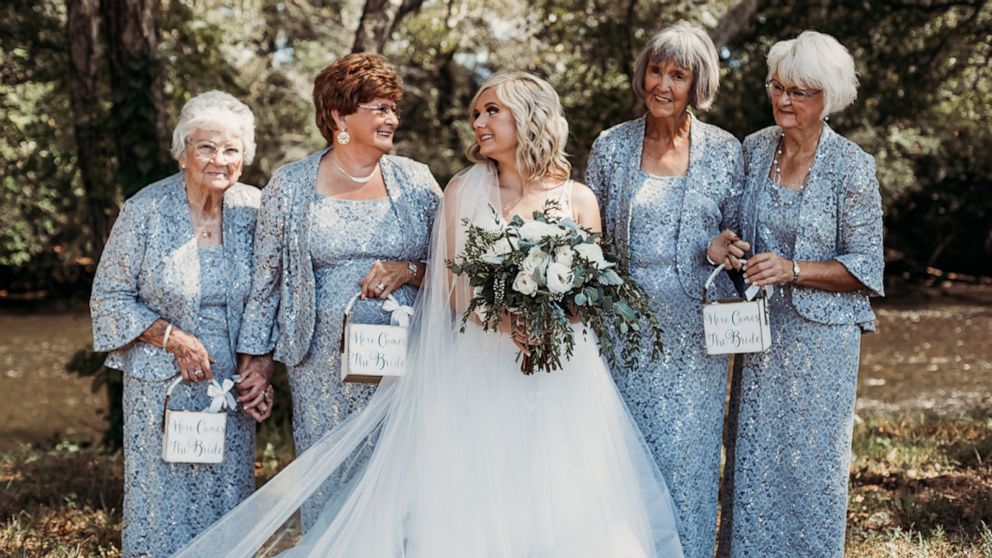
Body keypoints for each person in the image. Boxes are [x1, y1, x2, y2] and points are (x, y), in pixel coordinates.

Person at [174, 72, 685, 558]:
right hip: (480, 364)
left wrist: (552, 322)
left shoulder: (577, 199)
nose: (478, 123)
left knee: (561, 485)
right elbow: (453, 289)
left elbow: (588, 289)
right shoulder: (462, 189)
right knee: (482, 490)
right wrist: (508, 322)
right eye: (476, 113)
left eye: (492, 111)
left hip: (561, 371)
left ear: (529, 117)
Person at [235, 52, 442, 529]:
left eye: (394, 108)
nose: (392, 118)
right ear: (338, 115)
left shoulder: (416, 180)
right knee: (331, 486)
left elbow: (452, 269)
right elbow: (267, 282)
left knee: (404, 484)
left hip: (407, 366)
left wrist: (408, 269)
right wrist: (259, 362)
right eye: (379, 108)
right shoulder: (289, 185)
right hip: (322, 371)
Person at [714, 31, 884, 557]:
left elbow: (867, 267)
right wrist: (727, 244)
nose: (784, 101)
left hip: (821, 343)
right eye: (779, 87)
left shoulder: (852, 165)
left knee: (811, 465)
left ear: (827, 97)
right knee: (752, 459)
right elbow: (731, 222)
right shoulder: (755, 146)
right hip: (760, 334)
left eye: (800, 92)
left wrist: (792, 268)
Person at [585, 23, 746, 558]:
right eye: (657, 70)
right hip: (621, 327)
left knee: (687, 460)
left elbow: (736, 236)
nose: (663, 84)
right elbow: (589, 236)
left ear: (697, 84)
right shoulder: (610, 146)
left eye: (678, 75)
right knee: (622, 459)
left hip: (695, 333)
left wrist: (723, 247)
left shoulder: (725, 150)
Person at [90, 91, 273, 557]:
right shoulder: (144, 211)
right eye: (207, 147)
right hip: (160, 386)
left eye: (232, 150)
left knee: (227, 503)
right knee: (162, 508)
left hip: (228, 384)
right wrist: (173, 339)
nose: (220, 159)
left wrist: (260, 368)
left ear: (244, 158)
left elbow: (270, 297)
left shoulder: (256, 210)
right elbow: (108, 297)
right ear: (182, 152)